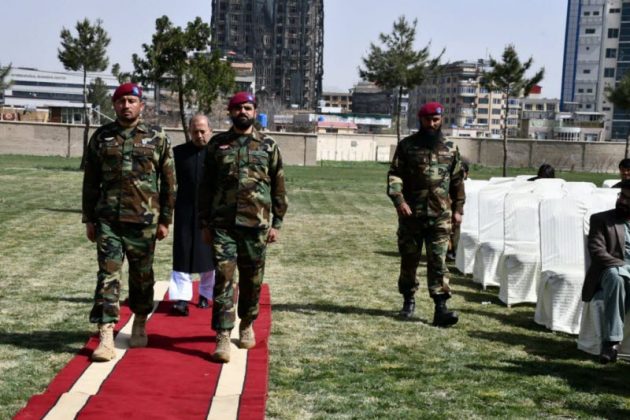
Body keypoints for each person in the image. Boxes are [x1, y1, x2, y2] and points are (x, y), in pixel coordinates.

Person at [82, 82, 176, 362]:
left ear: (141, 106)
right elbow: (90, 181)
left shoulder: (157, 137)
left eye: (131, 101)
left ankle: (139, 319)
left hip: (144, 221)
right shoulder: (101, 137)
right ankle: (106, 332)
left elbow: (169, 182)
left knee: (141, 275)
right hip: (108, 220)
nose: (126, 106)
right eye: (121, 101)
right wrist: (89, 218)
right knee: (108, 275)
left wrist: (165, 220)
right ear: (114, 105)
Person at [198, 91, 288, 363]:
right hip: (223, 226)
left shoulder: (269, 146)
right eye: (238, 108)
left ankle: (246, 323)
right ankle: (223, 335)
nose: (243, 112)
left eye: (247, 108)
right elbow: (206, 187)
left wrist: (277, 223)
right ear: (230, 112)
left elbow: (279, 186)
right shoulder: (217, 145)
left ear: (254, 111)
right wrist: (204, 223)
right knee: (224, 279)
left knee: (251, 280)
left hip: (256, 226)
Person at [387, 102, 465, 327]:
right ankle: (408, 299)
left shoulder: (451, 148)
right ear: (420, 120)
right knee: (409, 260)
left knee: (438, 261)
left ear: (441, 120)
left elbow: (458, 181)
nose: (431, 124)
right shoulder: (407, 146)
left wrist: (458, 209)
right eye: (427, 120)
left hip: (441, 215)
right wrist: (399, 200)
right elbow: (394, 175)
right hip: (412, 216)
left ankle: (441, 308)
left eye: (436, 120)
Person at [169, 115, 216, 316]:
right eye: (195, 131)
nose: (199, 135)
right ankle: (181, 299)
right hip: (185, 210)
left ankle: (206, 294)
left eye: (203, 131)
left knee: (208, 255)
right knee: (182, 253)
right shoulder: (178, 154)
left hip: (211, 212)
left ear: (210, 131)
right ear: (189, 132)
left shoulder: (218, 154)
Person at [582, 180, 630, 364]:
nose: (623, 201)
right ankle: (611, 343)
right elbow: (598, 253)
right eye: (621, 196)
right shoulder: (601, 220)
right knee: (615, 276)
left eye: (628, 198)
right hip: (608, 273)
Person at [447, 161, 469, 262]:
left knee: (454, 230)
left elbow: (460, 197)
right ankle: (450, 252)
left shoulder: (462, 183)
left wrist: (458, 211)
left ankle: (453, 251)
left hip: (453, 208)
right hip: (447, 207)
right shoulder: (456, 180)